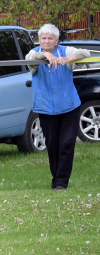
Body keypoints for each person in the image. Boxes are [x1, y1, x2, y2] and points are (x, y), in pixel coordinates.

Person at [25, 24, 90, 190]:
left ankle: (61, 182)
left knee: (67, 143)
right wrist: (45, 55)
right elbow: (30, 58)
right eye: (43, 38)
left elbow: (86, 53)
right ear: (39, 40)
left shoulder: (64, 51)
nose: (47, 41)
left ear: (56, 41)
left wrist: (69, 59)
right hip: (46, 109)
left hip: (70, 107)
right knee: (53, 145)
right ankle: (56, 179)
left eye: (50, 38)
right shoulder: (35, 53)